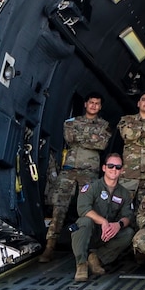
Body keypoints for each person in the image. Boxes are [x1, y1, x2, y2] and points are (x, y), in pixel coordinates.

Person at [44, 95, 110, 259]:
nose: (94, 106)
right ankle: (50, 245)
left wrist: (82, 138)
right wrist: (92, 138)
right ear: (86, 104)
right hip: (69, 170)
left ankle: (85, 248)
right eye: (91, 103)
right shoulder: (71, 122)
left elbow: (102, 144)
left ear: (100, 107)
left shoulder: (105, 125)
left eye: (97, 103)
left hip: (89, 172)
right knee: (59, 207)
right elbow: (69, 138)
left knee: (87, 209)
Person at [70, 154, 135, 282]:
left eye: (118, 167)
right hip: (91, 231)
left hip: (107, 235)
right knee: (84, 222)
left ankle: (96, 258)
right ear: (104, 168)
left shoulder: (124, 193)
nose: (114, 169)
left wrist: (118, 225)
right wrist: (103, 221)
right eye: (110, 166)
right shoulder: (92, 187)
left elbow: (128, 216)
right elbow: (83, 209)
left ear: (122, 170)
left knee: (128, 233)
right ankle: (81, 264)